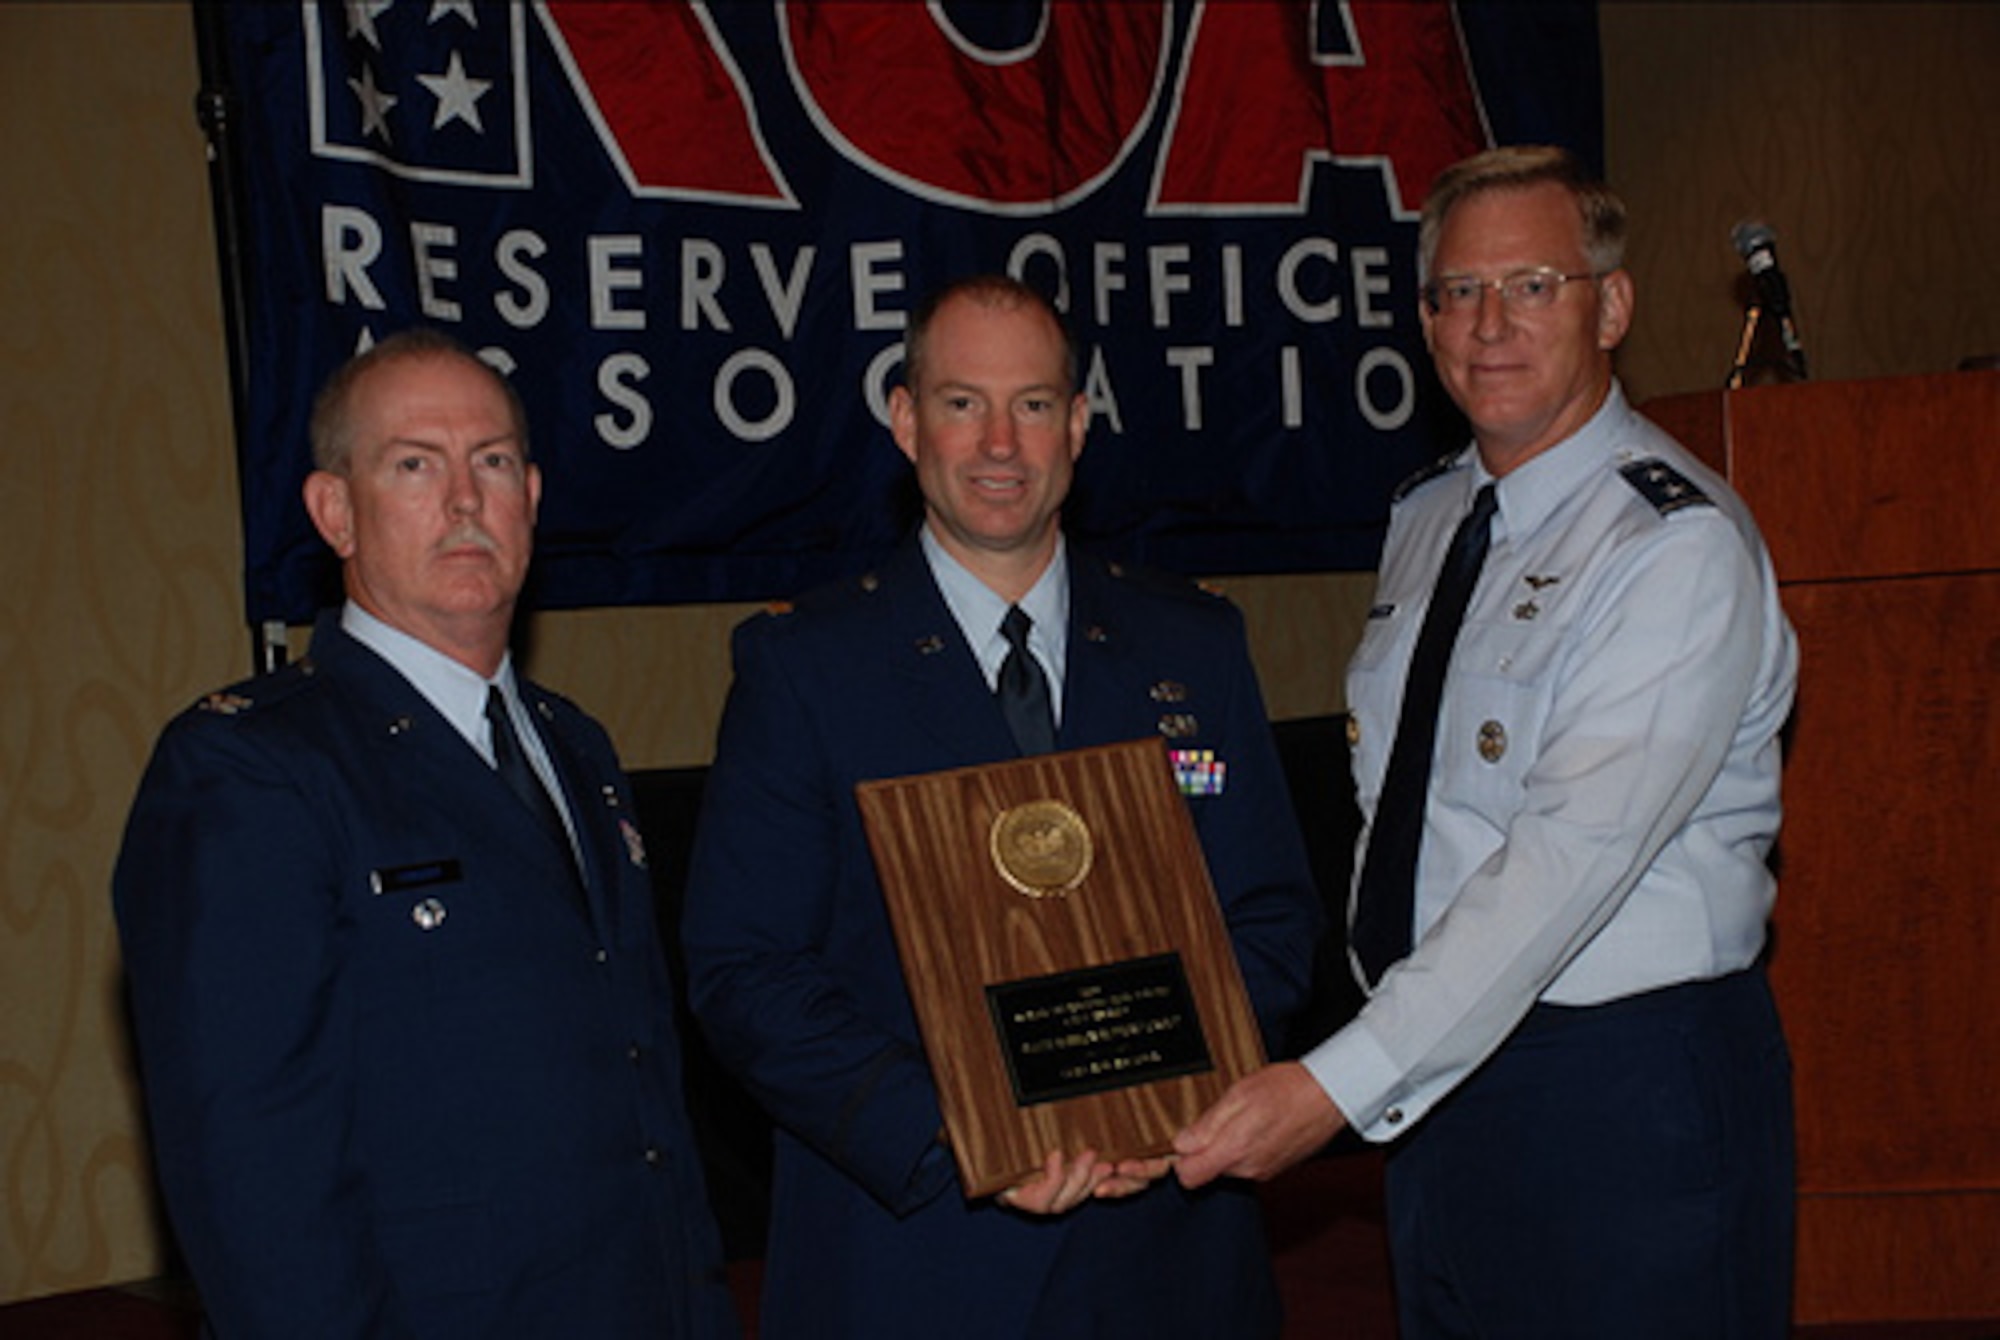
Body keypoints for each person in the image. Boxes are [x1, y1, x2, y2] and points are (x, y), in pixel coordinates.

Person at [1175, 145, 1800, 1337]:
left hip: (1619, 1085)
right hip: (1443, 1068)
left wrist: (1334, 1081)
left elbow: (1560, 864)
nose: (1489, 324)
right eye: (1458, 291)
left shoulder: (1672, 548)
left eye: (1531, 285)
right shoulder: (1428, 517)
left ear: (1608, 305)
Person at [681, 275, 1322, 1338]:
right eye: (959, 401)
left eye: (1030, 404)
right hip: (918, 1254)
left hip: (1167, 1245)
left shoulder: (1192, 647)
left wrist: (1168, 1094)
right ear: (903, 419)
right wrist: (957, 1132)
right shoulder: (806, 667)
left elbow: (1268, 915)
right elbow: (743, 969)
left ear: (1076, 424)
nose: (997, 443)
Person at [114, 330, 738, 1339]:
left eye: (490, 462)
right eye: (413, 464)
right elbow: (254, 1173)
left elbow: (645, 1101)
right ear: (333, 511)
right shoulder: (251, 770)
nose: (463, 501)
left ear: (531, 495)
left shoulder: (574, 745)